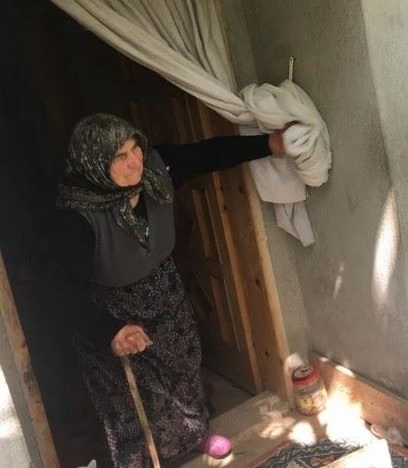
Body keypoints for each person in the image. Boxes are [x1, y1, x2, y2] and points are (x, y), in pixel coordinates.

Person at [51, 113, 286, 467]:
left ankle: (192, 435)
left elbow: (207, 154)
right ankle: (140, 460)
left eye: (135, 148)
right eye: (120, 156)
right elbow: (60, 288)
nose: (135, 161)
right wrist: (109, 331)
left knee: (182, 364)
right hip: (108, 308)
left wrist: (268, 144)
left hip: (162, 287)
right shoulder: (75, 216)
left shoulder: (156, 171)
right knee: (128, 394)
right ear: (94, 164)